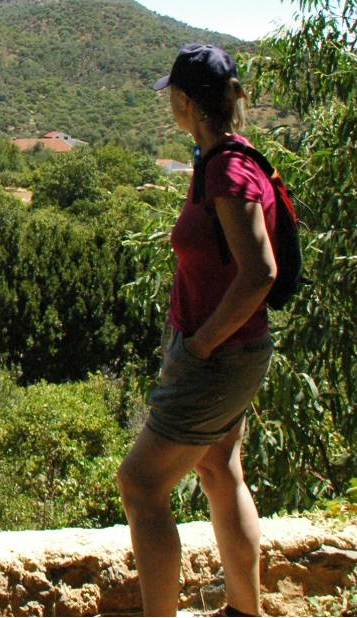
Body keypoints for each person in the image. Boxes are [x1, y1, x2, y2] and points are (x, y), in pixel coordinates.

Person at [117, 44, 278, 617]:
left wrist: (203, 342)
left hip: (219, 356)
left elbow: (260, 271)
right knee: (218, 466)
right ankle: (243, 610)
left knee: (140, 486)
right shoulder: (228, 157)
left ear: (183, 101)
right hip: (233, 352)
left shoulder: (229, 170)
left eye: (172, 96)